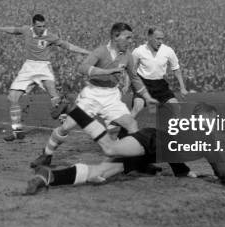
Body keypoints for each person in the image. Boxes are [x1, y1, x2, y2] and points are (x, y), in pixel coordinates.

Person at [24, 103, 225, 194]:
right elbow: (221, 170)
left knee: (100, 174)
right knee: (110, 148)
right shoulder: (206, 139)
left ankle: (49, 177)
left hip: (148, 152)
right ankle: (74, 110)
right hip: (147, 141)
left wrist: (182, 171)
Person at [30, 22, 158, 168]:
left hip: (112, 97)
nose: (130, 41)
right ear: (116, 37)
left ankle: (139, 162)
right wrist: (105, 72)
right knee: (67, 126)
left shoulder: (127, 56)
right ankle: (46, 154)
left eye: (131, 38)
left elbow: (134, 78)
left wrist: (147, 97)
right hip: (92, 95)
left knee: (131, 125)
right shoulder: (101, 51)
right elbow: (82, 68)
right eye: (127, 38)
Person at [0, 14, 89, 141]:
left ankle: (65, 126)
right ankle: (17, 131)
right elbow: (14, 30)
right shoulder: (26, 30)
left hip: (43, 67)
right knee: (12, 97)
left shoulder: (50, 36)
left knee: (55, 98)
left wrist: (87, 52)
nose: (42, 29)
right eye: (39, 26)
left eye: (43, 26)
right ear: (33, 26)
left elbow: (68, 46)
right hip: (28, 67)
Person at [130, 28, 189, 118]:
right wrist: (127, 85)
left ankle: (178, 130)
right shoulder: (138, 51)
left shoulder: (168, 51)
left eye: (162, 39)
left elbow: (176, 69)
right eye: (158, 39)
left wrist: (182, 87)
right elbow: (131, 69)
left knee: (176, 107)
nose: (160, 41)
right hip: (143, 83)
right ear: (149, 37)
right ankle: (124, 130)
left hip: (160, 84)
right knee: (137, 107)